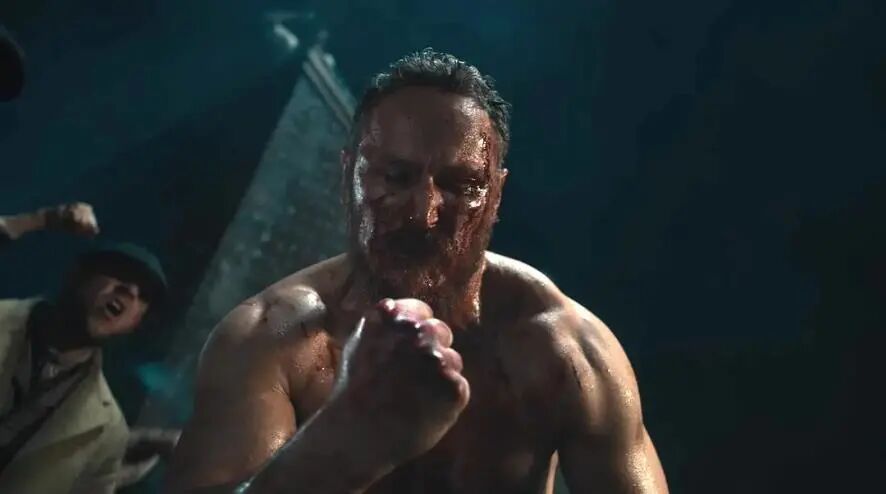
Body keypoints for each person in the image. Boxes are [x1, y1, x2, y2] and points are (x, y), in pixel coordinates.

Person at [167, 49, 669, 494]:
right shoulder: (269, 339)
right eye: (395, 176)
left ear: (496, 196)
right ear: (348, 176)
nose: (423, 214)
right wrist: (343, 446)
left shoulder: (568, 352)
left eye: (461, 185)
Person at [0, 202, 179, 493]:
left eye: (144, 295)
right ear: (77, 275)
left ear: (136, 322)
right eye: (119, 272)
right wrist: (38, 220)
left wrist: (106, 471)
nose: (130, 290)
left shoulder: (106, 429)